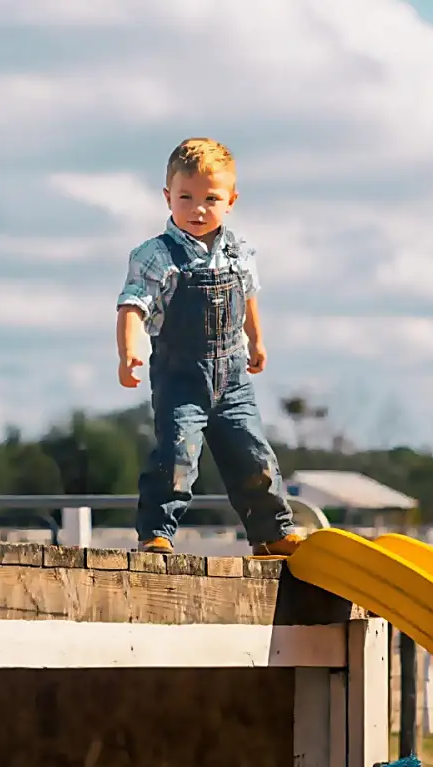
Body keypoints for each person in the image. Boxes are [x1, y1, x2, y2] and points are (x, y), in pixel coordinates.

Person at [115, 137, 303, 557]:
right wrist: (130, 351)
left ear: (231, 200)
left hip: (233, 375)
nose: (197, 209)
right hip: (181, 376)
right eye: (185, 197)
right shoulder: (155, 255)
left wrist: (257, 339)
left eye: (210, 199)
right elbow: (131, 305)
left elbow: (249, 296)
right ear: (168, 197)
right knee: (178, 454)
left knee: (253, 454)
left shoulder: (240, 251)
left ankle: (272, 533)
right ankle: (157, 533)